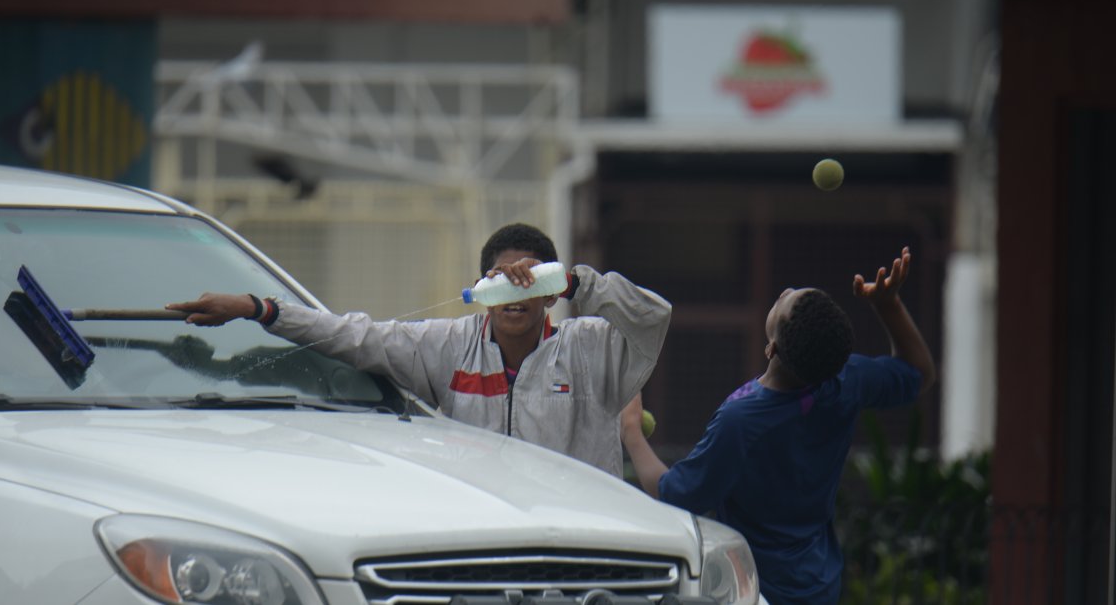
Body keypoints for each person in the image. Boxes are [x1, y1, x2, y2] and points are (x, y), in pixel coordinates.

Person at [168, 222, 672, 478]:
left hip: (580, 552)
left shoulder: (589, 350)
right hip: (484, 550)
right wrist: (259, 308)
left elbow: (652, 317)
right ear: (480, 286)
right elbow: (352, 335)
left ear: (546, 290)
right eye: (500, 278)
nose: (512, 293)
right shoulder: (448, 344)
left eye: (528, 280)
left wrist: (574, 283)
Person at [620, 246, 936, 605]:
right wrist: (888, 303)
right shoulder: (846, 381)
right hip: (820, 585)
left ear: (772, 348)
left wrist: (631, 431)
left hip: (757, 590)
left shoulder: (741, 423)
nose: (785, 290)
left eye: (785, 303)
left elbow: (673, 494)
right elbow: (919, 372)